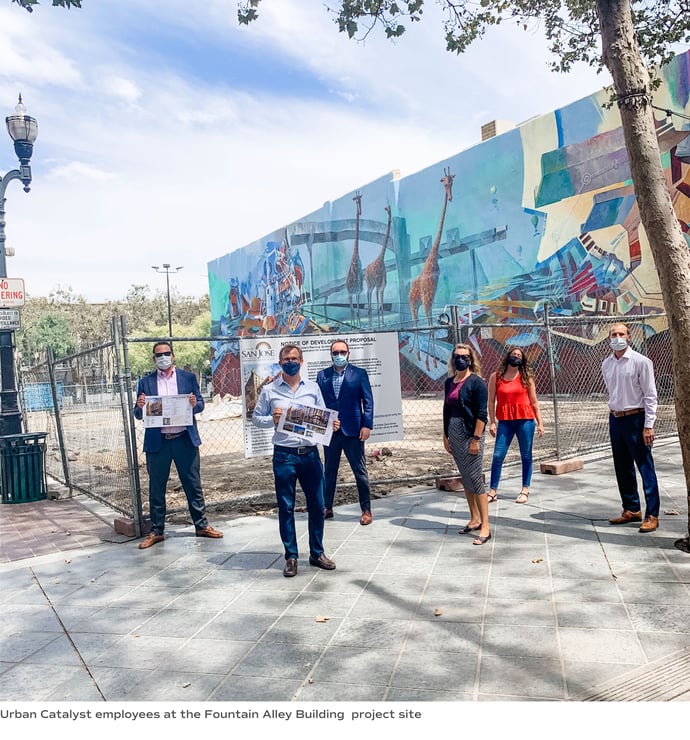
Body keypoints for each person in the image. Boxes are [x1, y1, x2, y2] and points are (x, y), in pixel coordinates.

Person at [252, 344, 337, 576]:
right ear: (280, 363)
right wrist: (272, 418)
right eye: (286, 359)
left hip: (310, 454)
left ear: (301, 361)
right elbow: (255, 418)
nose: (290, 361)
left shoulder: (313, 387)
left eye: (294, 358)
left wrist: (331, 425)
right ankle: (291, 556)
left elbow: (322, 416)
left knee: (318, 505)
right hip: (284, 455)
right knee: (286, 507)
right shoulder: (269, 391)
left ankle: (317, 552)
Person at [134, 341, 224, 549]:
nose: (163, 357)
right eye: (159, 355)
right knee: (157, 487)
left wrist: (194, 404)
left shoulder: (188, 378)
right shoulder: (145, 382)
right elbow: (138, 414)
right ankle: (157, 531)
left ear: (173, 356)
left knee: (193, 484)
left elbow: (200, 404)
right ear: (153, 359)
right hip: (158, 444)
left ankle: (201, 525)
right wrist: (139, 406)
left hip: (184, 439)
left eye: (166, 353)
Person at [602, 323, 660, 533]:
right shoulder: (607, 364)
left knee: (645, 466)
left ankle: (652, 514)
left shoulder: (641, 362)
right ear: (609, 338)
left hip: (636, 419)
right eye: (613, 334)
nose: (617, 337)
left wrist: (648, 425)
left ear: (629, 337)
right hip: (616, 419)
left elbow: (650, 395)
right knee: (622, 466)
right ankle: (631, 508)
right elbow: (612, 391)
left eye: (621, 334)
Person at [316, 339, 375, 525]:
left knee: (360, 472)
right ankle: (327, 507)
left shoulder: (359, 374)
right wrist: (324, 423)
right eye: (335, 352)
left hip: (353, 431)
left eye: (342, 352)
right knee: (329, 471)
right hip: (331, 432)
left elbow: (368, 402)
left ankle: (366, 510)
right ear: (331, 355)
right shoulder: (322, 376)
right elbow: (318, 404)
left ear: (348, 354)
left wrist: (367, 425)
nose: (339, 355)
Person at [442, 343, 490, 545]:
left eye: (465, 356)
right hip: (453, 430)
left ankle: (486, 526)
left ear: (471, 360)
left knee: (475, 477)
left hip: (471, 432)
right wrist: (445, 435)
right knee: (465, 477)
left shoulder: (477, 383)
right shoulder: (449, 382)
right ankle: (474, 518)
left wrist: (476, 439)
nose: (460, 359)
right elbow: (446, 408)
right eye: (457, 356)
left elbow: (481, 413)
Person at [487, 347, 544, 504]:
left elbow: (534, 401)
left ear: (523, 359)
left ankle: (525, 489)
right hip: (505, 421)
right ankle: (492, 491)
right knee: (498, 455)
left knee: (526, 455)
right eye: (514, 354)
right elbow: (491, 401)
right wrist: (492, 422)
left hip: (525, 420)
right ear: (508, 357)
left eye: (519, 355)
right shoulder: (496, 377)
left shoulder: (527, 377)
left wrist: (540, 423)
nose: (516, 357)